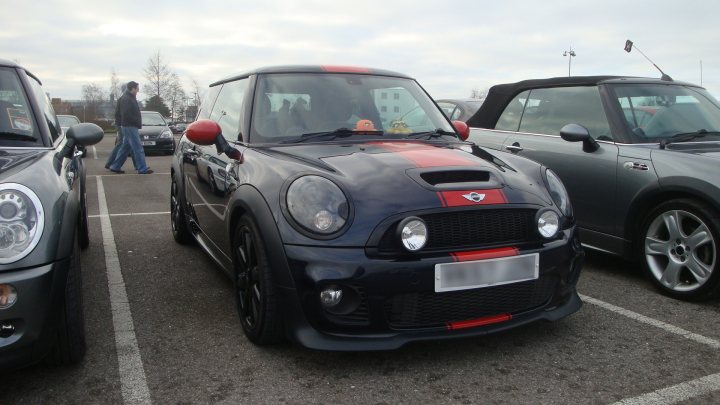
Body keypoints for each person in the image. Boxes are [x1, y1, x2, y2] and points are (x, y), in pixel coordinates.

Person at [109, 81, 153, 174]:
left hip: (128, 125)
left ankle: (115, 166)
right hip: (130, 126)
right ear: (132, 88)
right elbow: (126, 114)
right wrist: (135, 121)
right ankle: (142, 168)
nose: (138, 90)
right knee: (138, 147)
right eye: (137, 88)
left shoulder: (129, 97)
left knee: (125, 147)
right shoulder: (127, 99)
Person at [105, 84, 136, 170]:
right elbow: (123, 113)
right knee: (123, 143)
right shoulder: (125, 99)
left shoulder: (124, 98)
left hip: (122, 123)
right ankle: (111, 163)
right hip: (123, 124)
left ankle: (137, 165)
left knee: (128, 143)